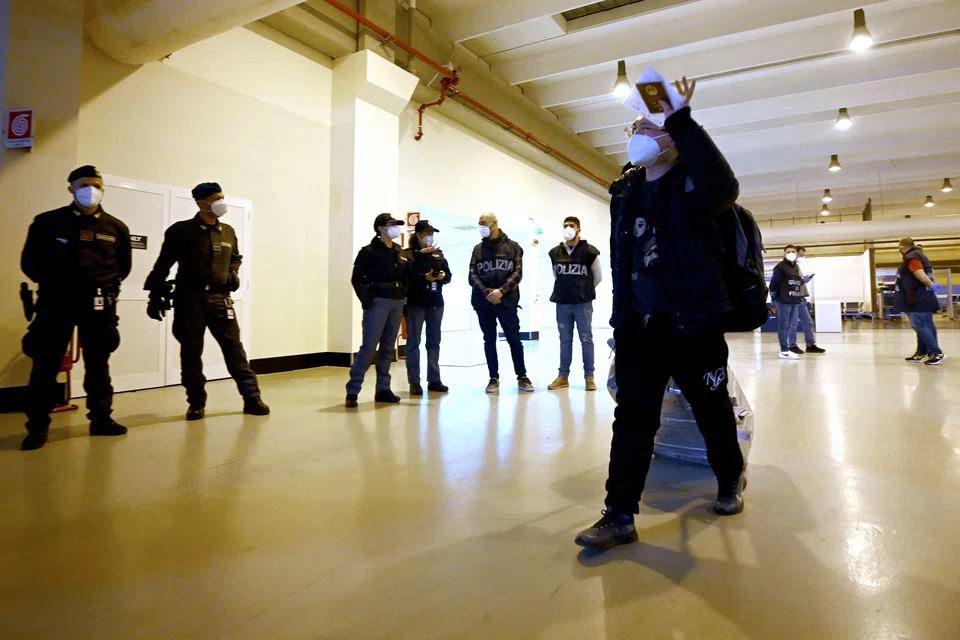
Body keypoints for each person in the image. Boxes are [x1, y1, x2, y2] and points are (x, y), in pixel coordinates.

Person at [575, 77, 746, 551]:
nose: (637, 133)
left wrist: (680, 117)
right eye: (635, 125)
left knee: (713, 411)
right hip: (639, 329)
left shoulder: (694, 184)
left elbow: (724, 186)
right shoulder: (625, 191)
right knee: (632, 419)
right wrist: (619, 321)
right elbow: (623, 259)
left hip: (693, 325)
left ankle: (729, 478)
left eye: (649, 126)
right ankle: (618, 514)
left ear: (672, 135)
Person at [19, 165, 131, 451]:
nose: (90, 190)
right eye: (83, 184)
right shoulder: (47, 222)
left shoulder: (116, 227)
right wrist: (55, 283)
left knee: (98, 363)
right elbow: (29, 263)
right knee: (46, 363)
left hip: (98, 302)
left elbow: (124, 267)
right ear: (71, 188)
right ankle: (37, 427)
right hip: (57, 301)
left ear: (102, 189)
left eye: (96, 184)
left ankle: (102, 419)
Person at [144, 182, 270, 420]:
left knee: (235, 350)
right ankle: (196, 403)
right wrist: (153, 294)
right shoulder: (180, 231)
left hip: (220, 300)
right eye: (215, 198)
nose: (221, 202)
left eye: (222, 197)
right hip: (189, 300)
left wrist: (232, 273)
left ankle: (252, 398)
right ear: (201, 203)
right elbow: (163, 264)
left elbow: (236, 257)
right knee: (191, 352)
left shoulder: (228, 232)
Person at [346, 214, 412, 407]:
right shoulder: (368, 252)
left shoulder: (398, 251)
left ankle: (383, 389)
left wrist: (404, 292)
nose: (395, 229)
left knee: (387, 348)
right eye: (391, 225)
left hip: (396, 301)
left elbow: (406, 275)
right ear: (381, 228)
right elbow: (357, 279)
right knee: (368, 348)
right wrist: (367, 300)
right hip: (378, 302)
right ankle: (353, 390)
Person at [469, 213, 535, 394]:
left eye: (483, 223)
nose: (481, 226)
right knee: (489, 340)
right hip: (484, 303)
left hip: (507, 302)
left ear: (494, 224)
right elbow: (472, 275)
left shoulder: (513, 247)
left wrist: (501, 291)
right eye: (479, 223)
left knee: (514, 340)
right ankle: (493, 378)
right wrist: (487, 292)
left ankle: (522, 376)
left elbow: (517, 273)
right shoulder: (477, 250)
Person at [547, 216, 602, 392]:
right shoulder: (555, 253)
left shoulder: (590, 252)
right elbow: (557, 276)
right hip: (562, 303)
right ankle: (563, 376)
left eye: (571, 226)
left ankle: (589, 377)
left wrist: (582, 290)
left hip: (582, 304)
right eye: (565, 226)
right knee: (564, 340)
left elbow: (598, 277)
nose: (568, 228)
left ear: (579, 229)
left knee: (586, 339)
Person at [405, 219, 452, 396]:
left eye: (432, 234)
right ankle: (414, 381)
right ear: (418, 235)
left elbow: (448, 276)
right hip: (416, 303)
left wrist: (442, 276)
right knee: (413, 342)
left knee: (434, 342)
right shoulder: (409, 255)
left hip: (435, 303)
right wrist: (424, 277)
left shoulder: (438, 254)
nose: (430, 238)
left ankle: (434, 379)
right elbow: (407, 277)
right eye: (426, 234)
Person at [897, 238, 946, 365]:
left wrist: (930, 284)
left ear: (902, 247)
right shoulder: (919, 256)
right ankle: (922, 353)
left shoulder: (912, 257)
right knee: (926, 325)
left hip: (917, 298)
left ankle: (936, 352)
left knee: (918, 325)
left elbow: (919, 274)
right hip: (923, 297)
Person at [769, 245, 805, 360]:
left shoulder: (795, 267)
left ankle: (789, 348)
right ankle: (784, 350)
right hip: (783, 299)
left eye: (793, 251)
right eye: (788, 252)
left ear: (796, 253)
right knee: (783, 325)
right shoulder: (780, 267)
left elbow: (797, 282)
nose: (791, 253)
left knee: (792, 324)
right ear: (784, 254)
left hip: (794, 299)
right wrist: (774, 296)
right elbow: (773, 284)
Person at [789, 247, 826, 355]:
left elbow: (798, 281)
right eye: (800, 255)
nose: (802, 257)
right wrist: (805, 279)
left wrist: (805, 279)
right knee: (793, 324)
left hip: (801, 299)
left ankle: (810, 345)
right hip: (792, 299)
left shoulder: (796, 267)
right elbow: (792, 282)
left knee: (808, 322)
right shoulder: (787, 268)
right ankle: (792, 345)